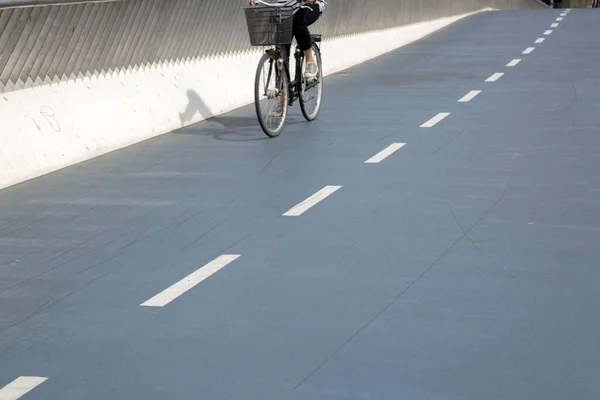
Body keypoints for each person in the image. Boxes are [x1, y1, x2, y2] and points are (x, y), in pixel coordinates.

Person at [247, 0, 326, 78]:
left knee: (298, 21)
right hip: (286, 7)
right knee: (282, 51)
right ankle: (284, 87)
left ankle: (310, 60)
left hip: (310, 4)